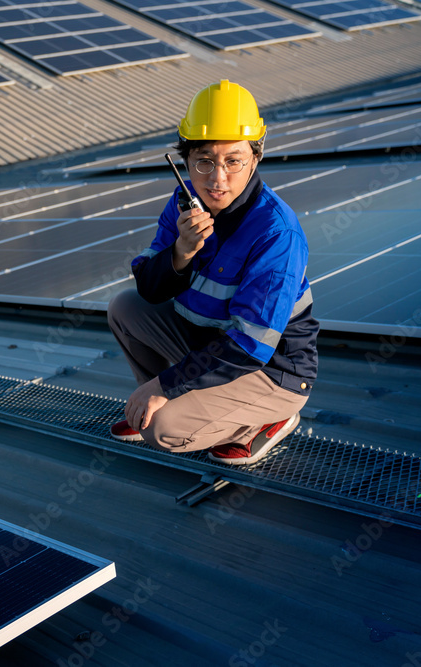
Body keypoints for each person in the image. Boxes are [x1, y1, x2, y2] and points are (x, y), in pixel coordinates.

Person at [107, 79, 318, 465]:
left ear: (255, 158)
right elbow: (150, 291)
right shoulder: (183, 203)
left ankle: (270, 417)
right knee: (125, 306)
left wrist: (167, 384)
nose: (217, 179)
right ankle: (158, 402)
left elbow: (251, 345)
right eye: (204, 161)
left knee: (165, 431)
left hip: (272, 370)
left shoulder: (276, 233)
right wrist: (181, 252)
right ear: (185, 160)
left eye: (233, 160)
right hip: (209, 344)